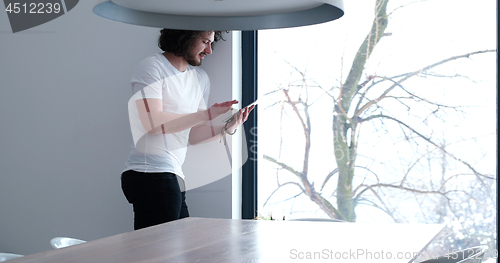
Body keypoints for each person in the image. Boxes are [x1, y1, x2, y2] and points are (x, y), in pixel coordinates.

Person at [121, 29, 255, 230]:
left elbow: (193, 134)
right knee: (158, 255)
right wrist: (205, 115)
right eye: (204, 42)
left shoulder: (200, 78)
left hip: (173, 175)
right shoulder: (152, 67)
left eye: (211, 43)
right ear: (186, 37)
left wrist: (228, 127)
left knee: (178, 251)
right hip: (150, 172)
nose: (209, 51)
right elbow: (152, 123)